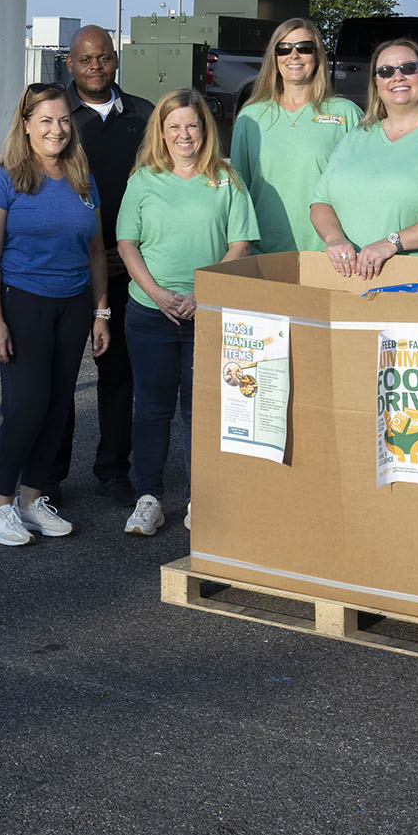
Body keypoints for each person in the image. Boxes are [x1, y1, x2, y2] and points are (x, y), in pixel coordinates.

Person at [0, 82, 112, 547]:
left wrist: (101, 312)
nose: (57, 129)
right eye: (46, 121)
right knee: (25, 407)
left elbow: (96, 252)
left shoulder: (83, 180)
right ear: (27, 125)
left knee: (58, 405)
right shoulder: (3, 180)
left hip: (73, 305)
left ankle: (32, 499)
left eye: (64, 120)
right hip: (24, 302)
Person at [115, 89, 257, 538]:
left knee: (204, 411)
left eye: (192, 126)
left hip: (208, 314)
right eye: (173, 126)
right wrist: (157, 293)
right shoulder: (143, 179)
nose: (183, 134)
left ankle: (203, 498)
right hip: (150, 313)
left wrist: (204, 291)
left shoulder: (226, 179)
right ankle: (149, 498)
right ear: (161, 131)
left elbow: (240, 244)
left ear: (205, 130)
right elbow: (126, 244)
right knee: (153, 409)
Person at [310, 37, 418, 278]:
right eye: (385, 71)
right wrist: (334, 239)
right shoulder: (355, 137)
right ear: (376, 82)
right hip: (350, 280)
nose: (397, 77)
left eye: (408, 68)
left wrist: (392, 242)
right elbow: (321, 202)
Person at [63, 24, 150, 505]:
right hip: (69, 271)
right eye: (85, 59)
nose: (95, 67)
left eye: (104, 58)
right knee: (59, 379)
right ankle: (49, 476)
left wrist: (129, 254)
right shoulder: (57, 116)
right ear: (70, 64)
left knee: (119, 376)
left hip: (127, 268)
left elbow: (160, 187)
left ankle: (114, 469)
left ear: (115, 60)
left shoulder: (143, 114)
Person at [229, 18, 363, 253]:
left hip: (330, 255)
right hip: (265, 255)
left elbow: (364, 188)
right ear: (275, 57)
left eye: (304, 48)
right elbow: (239, 194)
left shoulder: (346, 114)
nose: (294, 55)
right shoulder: (250, 118)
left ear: (317, 55)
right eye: (284, 48)